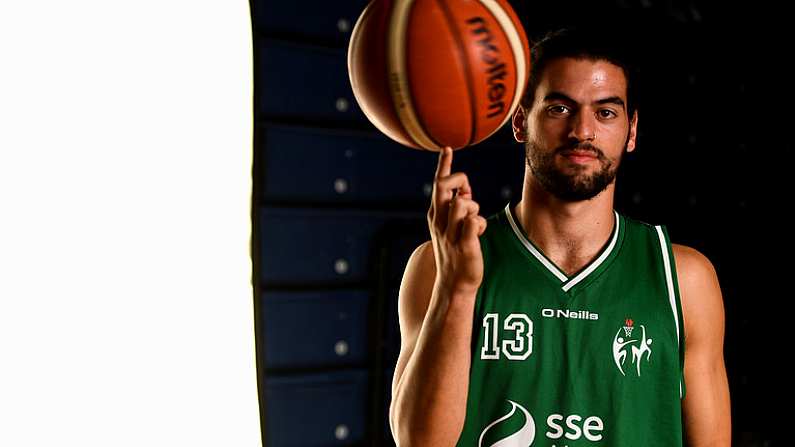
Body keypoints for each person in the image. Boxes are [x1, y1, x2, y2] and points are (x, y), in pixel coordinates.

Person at [388, 27, 731, 446]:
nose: (582, 131)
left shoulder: (684, 279)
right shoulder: (440, 264)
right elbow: (417, 443)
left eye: (606, 112)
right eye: (559, 109)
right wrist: (457, 290)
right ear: (520, 121)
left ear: (632, 130)